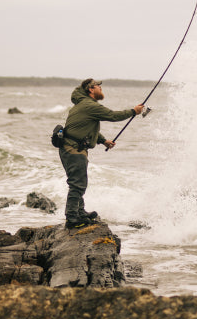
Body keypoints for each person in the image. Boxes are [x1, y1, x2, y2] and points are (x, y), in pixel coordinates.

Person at [60, 78, 143, 228]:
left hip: (70, 148)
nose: (101, 88)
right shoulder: (89, 105)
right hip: (73, 150)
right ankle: (72, 218)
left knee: (79, 182)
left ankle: (79, 212)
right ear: (91, 89)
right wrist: (133, 111)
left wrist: (103, 141)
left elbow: (85, 129)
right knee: (77, 185)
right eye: (99, 86)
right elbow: (112, 115)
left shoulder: (84, 105)